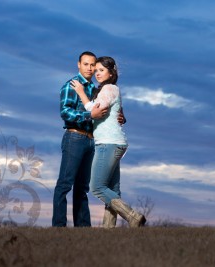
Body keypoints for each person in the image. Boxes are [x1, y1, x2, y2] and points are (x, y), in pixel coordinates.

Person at [71, 56, 146, 228]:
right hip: (113, 142)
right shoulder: (109, 90)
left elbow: (97, 110)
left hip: (108, 143)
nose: (97, 73)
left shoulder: (110, 88)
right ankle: (108, 230)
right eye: (96, 70)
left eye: (101, 70)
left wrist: (81, 93)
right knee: (112, 189)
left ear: (111, 73)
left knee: (97, 186)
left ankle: (133, 216)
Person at [52, 51, 125, 227]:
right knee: (65, 183)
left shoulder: (97, 89)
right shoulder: (71, 85)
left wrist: (122, 117)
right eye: (86, 64)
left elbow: (109, 110)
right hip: (75, 137)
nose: (90, 68)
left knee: (82, 187)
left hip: (93, 141)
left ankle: (83, 227)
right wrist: (88, 114)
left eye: (93, 65)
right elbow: (65, 112)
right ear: (79, 65)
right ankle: (59, 226)